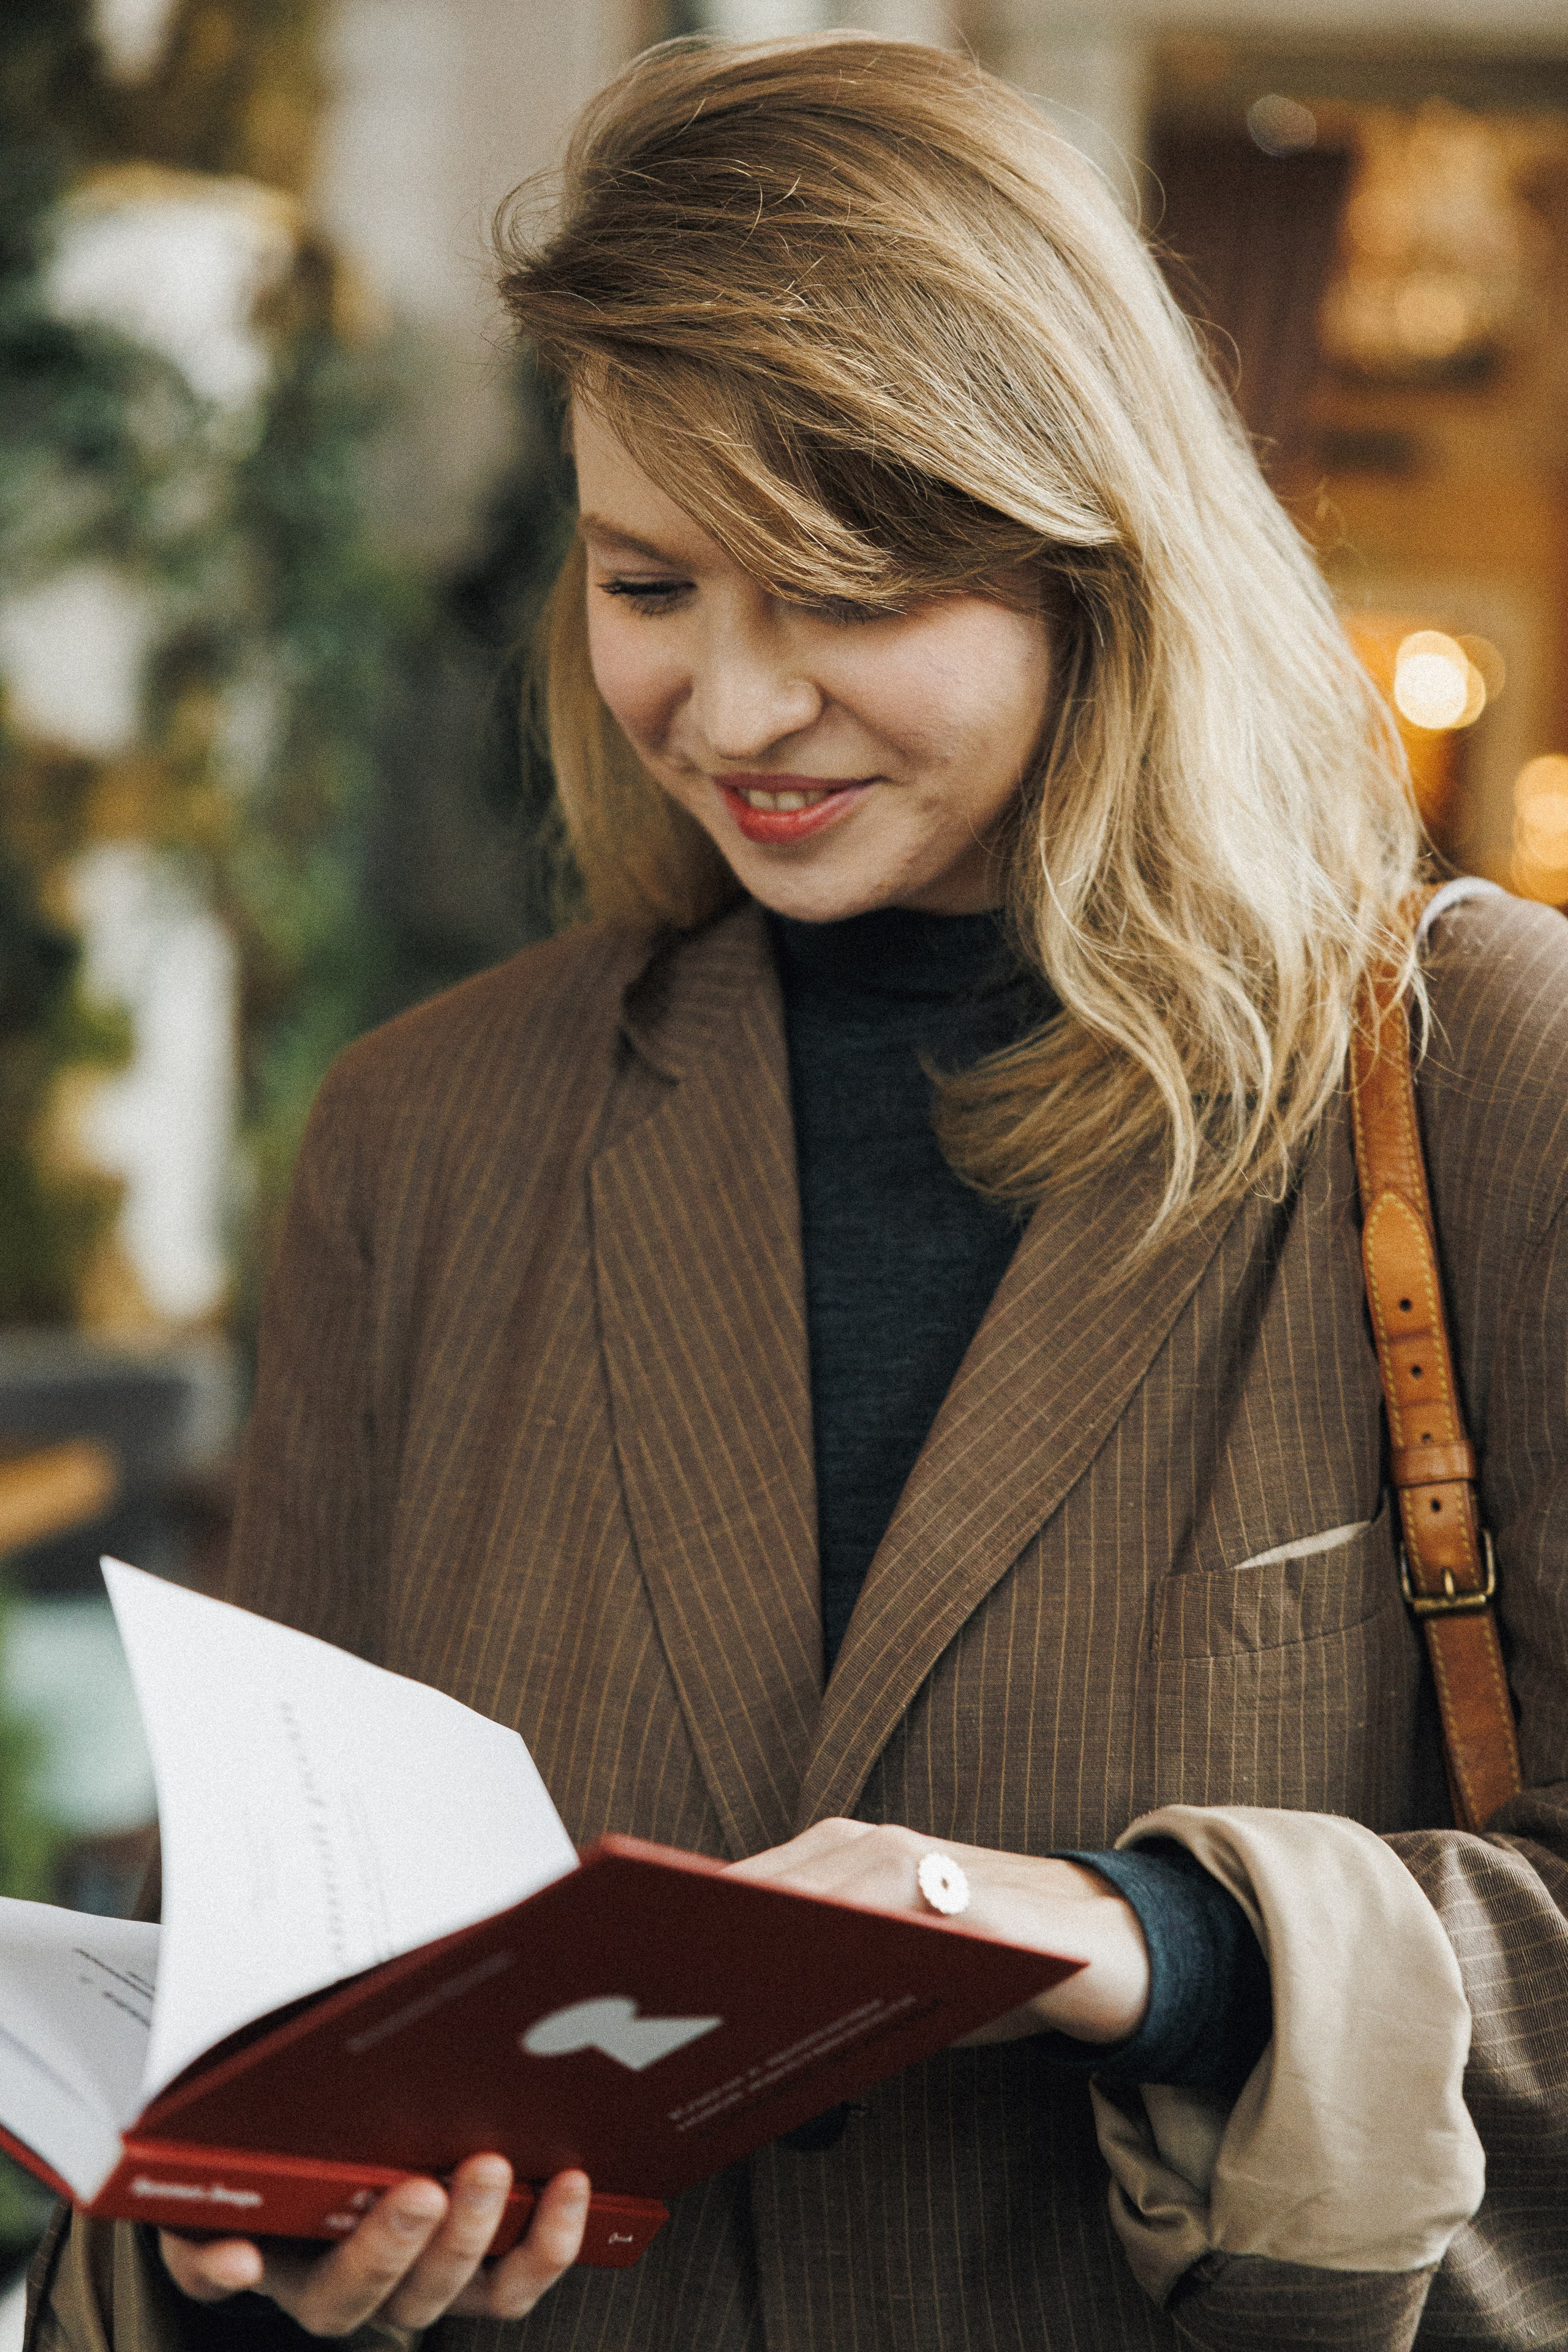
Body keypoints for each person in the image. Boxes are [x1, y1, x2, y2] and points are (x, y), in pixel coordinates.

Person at [31, 32, 1568, 2352]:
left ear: (1095, 555)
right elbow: (261, 1996)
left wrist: (1148, 1938)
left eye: (842, 594)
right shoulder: (428, 1137)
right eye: (651, 583)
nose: (731, 711)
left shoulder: (1483, 1080)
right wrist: (268, 2234)